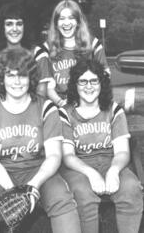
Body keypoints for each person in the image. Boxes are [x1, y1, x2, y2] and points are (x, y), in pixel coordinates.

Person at [0, 48, 81, 233]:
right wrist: (14, 192)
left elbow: (54, 156)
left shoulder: (46, 107)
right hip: (0, 172)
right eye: (10, 75)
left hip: (38, 171)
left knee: (62, 199)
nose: (16, 82)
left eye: (22, 75)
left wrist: (33, 186)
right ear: (1, 78)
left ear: (31, 78)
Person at [59, 57, 143, 233]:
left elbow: (122, 152)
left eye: (93, 81)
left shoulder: (113, 110)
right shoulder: (66, 113)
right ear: (75, 84)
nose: (88, 86)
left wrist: (113, 171)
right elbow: (68, 156)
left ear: (101, 83)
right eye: (82, 81)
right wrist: (91, 173)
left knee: (131, 188)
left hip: (110, 161)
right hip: (78, 166)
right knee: (82, 193)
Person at [38, 0, 110, 106]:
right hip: (59, 105)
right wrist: (62, 103)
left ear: (78, 22)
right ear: (56, 23)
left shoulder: (93, 45)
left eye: (71, 18)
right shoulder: (46, 49)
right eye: (62, 19)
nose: (66, 23)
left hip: (88, 104)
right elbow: (47, 87)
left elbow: (105, 78)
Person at [0, 2, 52, 98]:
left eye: (19, 24)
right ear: (2, 27)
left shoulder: (38, 54)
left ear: (25, 26)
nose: (15, 29)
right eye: (9, 24)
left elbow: (41, 94)